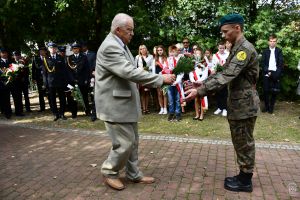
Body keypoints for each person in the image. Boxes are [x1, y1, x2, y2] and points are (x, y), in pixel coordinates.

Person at [94, 13, 175, 190]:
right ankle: (110, 171)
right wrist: (160, 79)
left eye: (132, 30)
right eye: (129, 30)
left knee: (133, 142)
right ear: (118, 30)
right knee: (124, 143)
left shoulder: (120, 44)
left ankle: (133, 174)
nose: (132, 33)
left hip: (123, 103)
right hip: (114, 105)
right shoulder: (110, 47)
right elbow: (129, 72)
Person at [185, 13, 260, 192]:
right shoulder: (236, 48)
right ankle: (243, 175)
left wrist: (200, 91)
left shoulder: (244, 50)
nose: (224, 35)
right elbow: (223, 72)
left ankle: (245, 181)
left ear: (237, 28)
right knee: (240, 141)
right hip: (238, 104)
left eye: (226, 31)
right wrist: (202, 83)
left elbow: (227, 75)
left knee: (244, 142)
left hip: (244, 105)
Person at [43, 42, 68, 121]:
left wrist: (65, 81)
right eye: (51, 48)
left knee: (62, 98)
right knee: (52, 99)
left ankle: (62, 113)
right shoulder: (46, 58)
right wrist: (45, 83)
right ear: (49, 49)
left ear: (56, 49)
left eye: (54, 48)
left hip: (60, 81)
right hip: (51, 82)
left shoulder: (60, 57)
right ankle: (55, 114)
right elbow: (44, 72)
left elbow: (64, 70)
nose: (53, 49)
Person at [66, 42, 91, 117]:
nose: (75, 50)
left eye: (76, 48)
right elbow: (68, 71)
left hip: (82, 80)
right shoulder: (69, 58)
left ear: (79, 49)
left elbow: (87, 69)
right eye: (74, 49)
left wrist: (87, 79)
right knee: (74, 97)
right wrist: (72, 79)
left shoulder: (84, 57)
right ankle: (74, 113)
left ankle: (87, 111)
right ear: (72, 50)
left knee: (84, 97)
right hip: (73, 81)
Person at [261, 34, 284, 114]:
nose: (272, 43)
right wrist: (268, 71)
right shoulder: (265, 51)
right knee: (266, 91)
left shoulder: (279, 51)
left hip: (275, 73)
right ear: (268, 42)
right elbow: (263, 63)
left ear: (276, 42)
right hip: (267, 73)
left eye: (274, 41)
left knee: (274, 91)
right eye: (271, 41)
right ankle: (266, 106)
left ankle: (271, 107)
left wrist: (276, 74)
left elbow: (281, 64)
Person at [189, 49, 209, 121]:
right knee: (196, 98)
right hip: (195, 83)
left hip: (201, 82)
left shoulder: (204, 62)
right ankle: (197, 114)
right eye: (196, 53)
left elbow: (205, 73)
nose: (197, 55)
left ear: (201, 55)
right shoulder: (192, 62)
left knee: (201, 97)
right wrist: (193, 80)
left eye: (199, 54)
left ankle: (201, 115)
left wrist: (200, 81)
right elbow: (191, 73)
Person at [135, 44, 154, 114]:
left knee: (147, 92)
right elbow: (135, 67)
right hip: (141, 76)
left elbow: (153, 66)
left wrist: (148, 68)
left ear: (146, 49)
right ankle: (143, 108)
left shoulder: (151, 57)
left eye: (144, 48)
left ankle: (147, 108)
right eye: (141, 49)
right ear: (139, 50)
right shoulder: (137, 57)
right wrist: (141, 69)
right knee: (142, 92)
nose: (143, 50)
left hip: (148, 75)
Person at [212, 40, 229, 117]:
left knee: (225, 92)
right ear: (218, 48)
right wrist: (213, 70)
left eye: (222, 48)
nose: (221, 49)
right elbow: (213, 65)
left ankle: (225, 108)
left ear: (224, 47)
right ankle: (219, 107)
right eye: (220, 48)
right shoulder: (215, 55)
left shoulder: (228, 54)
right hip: (218, 75)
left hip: (225, 75)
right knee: (218, 91)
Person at [167, 45, 184, 121]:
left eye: (175, 51)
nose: (174, 52)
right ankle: (171, 113)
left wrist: (177, 81)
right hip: (170, 82)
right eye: (172, 51)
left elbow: (182, 72)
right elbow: (167, 69)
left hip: (178, 82)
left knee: (177, 99)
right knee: (170, 99)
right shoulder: (169, 60)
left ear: (177, 51)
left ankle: (178, 114)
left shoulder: (180, 60)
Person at [32, 47, 49, 112]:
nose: (41, 52)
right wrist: (33, 78)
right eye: (40, 51)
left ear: (46, 51)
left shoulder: (49, 58)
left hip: (48, 78)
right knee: (41, 93)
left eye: (43, 51)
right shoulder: (35, 59)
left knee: (49, 92)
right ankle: (42, 108)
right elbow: (33, 69)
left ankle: (52, 106)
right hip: (39, 78)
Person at [155, 45, 169, 115]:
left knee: (164, 93)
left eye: (161, 50)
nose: (159, 52)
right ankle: (161, 108)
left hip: (164, 77)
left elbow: (167, 68)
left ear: (163, 50)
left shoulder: (166, 58)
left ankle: (166, 108)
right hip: (157, 77)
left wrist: (159, 65)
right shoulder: (155, 59)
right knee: (159, 94)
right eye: (158, 50)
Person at [0, 48, 13, 119]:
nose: (4, 54)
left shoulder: (10, 61)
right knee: (4, 99)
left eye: (5, 52)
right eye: (2, 53)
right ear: (0, 54)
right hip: (2, 83)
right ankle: (7, 113)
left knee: (9, 98)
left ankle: (10, 111)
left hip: (11, 82)